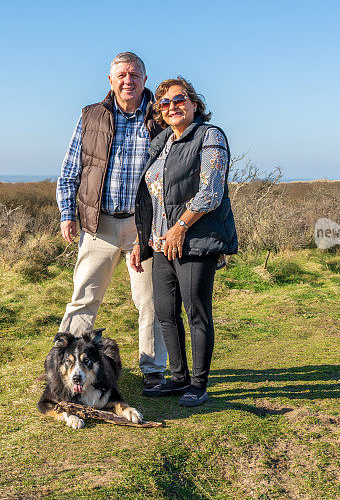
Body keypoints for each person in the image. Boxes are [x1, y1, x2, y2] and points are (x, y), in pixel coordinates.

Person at [56, 52, 168, 388]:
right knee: (85, 297)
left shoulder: (159, 115)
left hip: (144, 227)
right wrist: (67, 213)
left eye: (135, 74)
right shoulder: (91, 115)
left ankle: (154, 370)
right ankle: (65, 365)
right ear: (110, 80)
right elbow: (71, 168)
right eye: (121, 75)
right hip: (98, 223)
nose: (128, 81)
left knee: (150, 299)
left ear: (145, 80)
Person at [130, 77, 237, 407]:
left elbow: (211, 192)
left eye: (179, 100)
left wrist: (179, 227)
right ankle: (177, 378)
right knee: (164, 312)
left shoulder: (209, 135)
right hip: (162, 242)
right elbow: (150, 198)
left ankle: (198, 384)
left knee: (197, 313)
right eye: (165, 103)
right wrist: (141, 241)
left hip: (195, 241)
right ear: (159, 112)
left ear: (194, 103)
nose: (172, 107)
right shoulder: (161, 143)